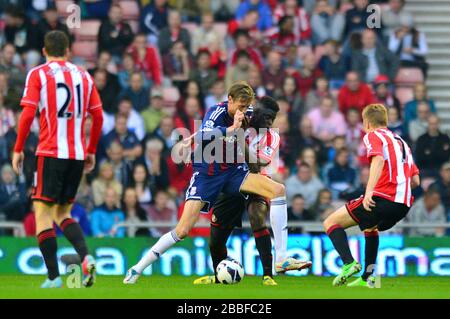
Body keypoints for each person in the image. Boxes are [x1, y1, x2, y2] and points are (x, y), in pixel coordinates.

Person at [123, 82, 292, 284]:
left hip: (233, 171)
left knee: (278, 189)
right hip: (207, 174)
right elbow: (205, 134)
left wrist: (190, 139)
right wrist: (227, 131)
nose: (243, 110)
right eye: (239, 105)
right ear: (229, 100)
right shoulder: (216, 111)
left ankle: (281, 258)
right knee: (182, 230)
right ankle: (137, 268)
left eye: (246, 106)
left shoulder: (246, 111)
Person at [11, 31, 103, 288]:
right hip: (76, 155)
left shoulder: (38, 74)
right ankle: (86, 257)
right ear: (68, 51)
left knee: (42, 213)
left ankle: (53, 277)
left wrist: (18, 148)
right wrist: (91, 150)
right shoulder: (84, 76)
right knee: (63, 212)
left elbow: (28, 114)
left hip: (50, 153)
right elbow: (98, 117)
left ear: (44, 51)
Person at [193, 96, 312, 286]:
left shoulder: (272, 136)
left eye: (272, 119)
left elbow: (257, 166)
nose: (268, 122)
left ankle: (268, 275)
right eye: (265, 116)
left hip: (257, 181)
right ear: (255, 111)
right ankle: (218, 277)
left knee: (257, 216)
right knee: (216, 240)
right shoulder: (239, 121)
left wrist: (240, 140)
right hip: (231, 180)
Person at [323, 104, 420, 288]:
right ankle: (368, 277)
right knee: (370, 227)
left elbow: (378, 159)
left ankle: (349, 263)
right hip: (403, 205)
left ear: (366, 122)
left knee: (330, 222)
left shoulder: (373, 135)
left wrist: (369, 192)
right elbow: (416, 180)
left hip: (383, 198)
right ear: (386, 120)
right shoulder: (402, 142)